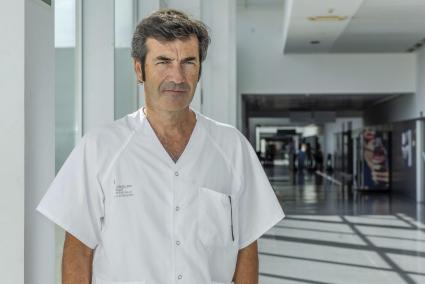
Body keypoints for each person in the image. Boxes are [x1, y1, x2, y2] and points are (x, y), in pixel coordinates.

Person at [37, 9, 284, 284]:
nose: (177, 77)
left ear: (200, 69)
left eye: (189, 62)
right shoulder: (100, 148)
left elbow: (246, 247)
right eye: (163, 62)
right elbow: (79, 251)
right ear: (139, 69)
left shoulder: (232, 147)